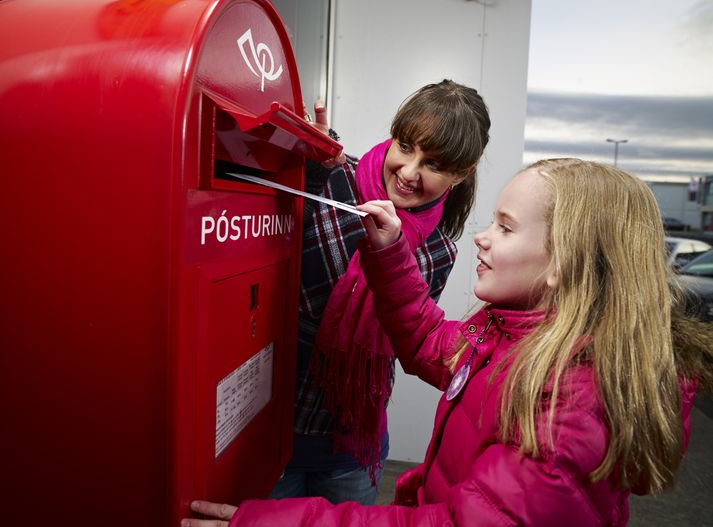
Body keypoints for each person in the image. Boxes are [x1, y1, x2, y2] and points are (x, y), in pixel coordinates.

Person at [183, 159, 713, 526]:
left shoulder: (572, 403)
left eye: (506, 228)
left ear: (564, 264)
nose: (483, 236)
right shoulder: (514, 336)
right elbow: (429, 338)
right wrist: (390, 253)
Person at [270, 79, 491, 505]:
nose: (409, 172)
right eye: (406, 146)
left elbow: (404, 339)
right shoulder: (333, 179)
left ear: (460, 175)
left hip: (351, 443)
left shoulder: (439, 251)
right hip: (273, 427)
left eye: (434, 164)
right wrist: (307, 163)